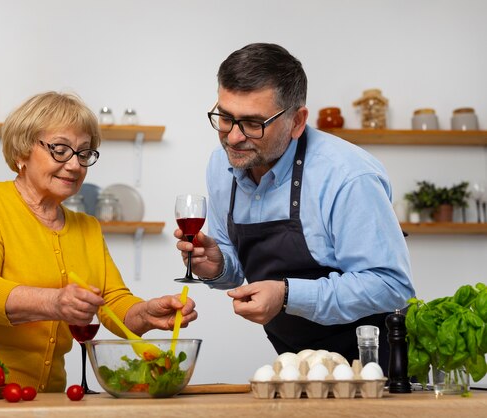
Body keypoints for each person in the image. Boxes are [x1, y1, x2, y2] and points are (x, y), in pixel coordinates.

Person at [0, 91, 197, 392]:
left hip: (47, 398)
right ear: (22, 152)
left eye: (84, 153)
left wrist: (146, 313)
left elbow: (113, 301)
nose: (75, 165)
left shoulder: (87, 227)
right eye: (60, 149)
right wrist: (55, 302)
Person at [175, 43, 414, 368]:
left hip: (375, 360)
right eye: (225, 117)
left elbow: (391, 285)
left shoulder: (347, 176)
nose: (232, 138)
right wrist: (217, 266)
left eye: (253, 123)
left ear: (297, 121)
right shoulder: (222, 166)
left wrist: (287, 295)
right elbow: (234, 271)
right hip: (298, 361)